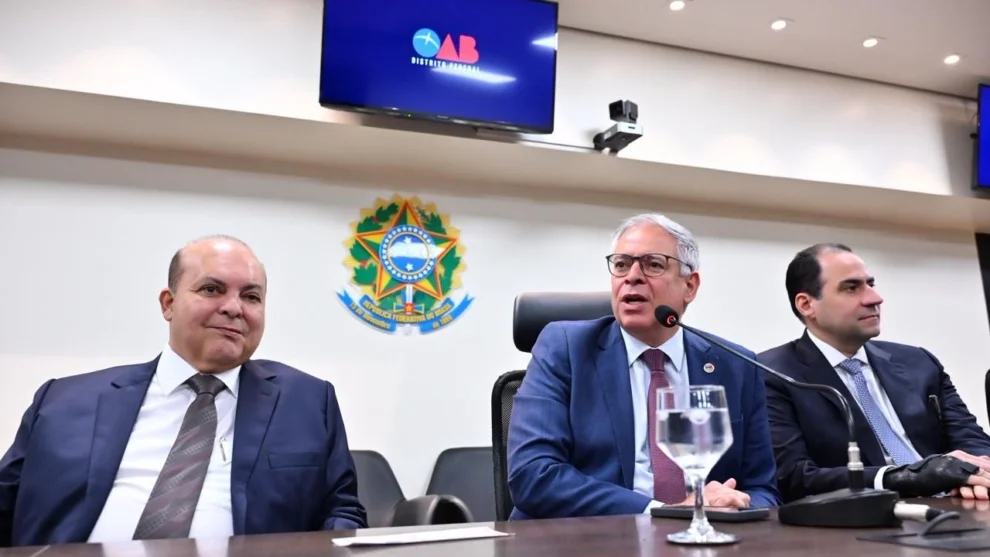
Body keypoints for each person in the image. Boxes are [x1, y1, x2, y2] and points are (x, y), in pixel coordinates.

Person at [0, 235, 366, 547]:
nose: (234, 308)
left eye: (251, 296)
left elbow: (342, 511)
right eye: (212, 289)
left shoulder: (307, 402)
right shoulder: (63, 401)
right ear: (169, 303)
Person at [506, 214, 780, 519]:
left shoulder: (736, 366)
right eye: (622, 264)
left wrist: (732, 505)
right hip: (589, 535)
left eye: (653, 264)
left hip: (703, 535)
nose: (632, 277)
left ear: (690, 286)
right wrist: (663, 512)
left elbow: (762, 489)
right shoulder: (566, 348)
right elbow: (533, 475)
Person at [758, 243, 990, 503]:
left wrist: (977, 474)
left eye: (871, 284)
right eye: (851, 288)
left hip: (958, 503)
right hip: (864, 514)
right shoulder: (771, 373)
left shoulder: (919, 362)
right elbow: (794, 476)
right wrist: (908, 478)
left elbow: (970, 437)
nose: (874, 298)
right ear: (806, 304)